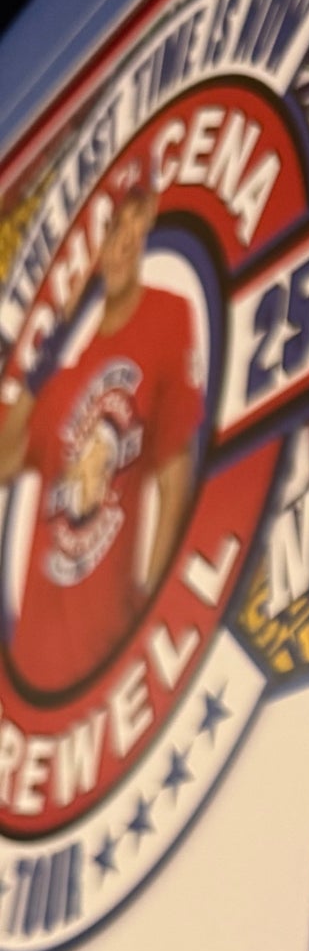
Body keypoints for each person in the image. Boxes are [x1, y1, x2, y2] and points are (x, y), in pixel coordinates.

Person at [0, 155, 205, 697]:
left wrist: (152, 618)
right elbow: (4, 460)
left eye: (133, 221)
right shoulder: (63, 377)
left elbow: (175, 482)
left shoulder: (167, 318)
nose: (122, 240)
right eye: (112, 226)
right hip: (33, 668)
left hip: (107, 659)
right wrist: (44, 356)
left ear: (148, 221)